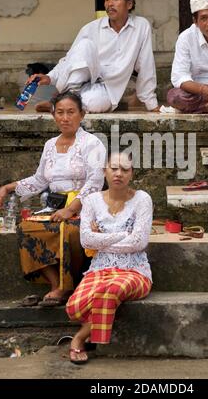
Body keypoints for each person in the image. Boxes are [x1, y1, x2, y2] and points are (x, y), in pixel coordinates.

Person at [0, 91, 106, 306]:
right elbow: (39, 179)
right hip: (54, 206)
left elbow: (94, 183)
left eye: (71, 112)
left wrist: (71, 209)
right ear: (54, 116)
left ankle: (69, 284)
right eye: (60, 112)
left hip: (85, 206)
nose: (65, 118)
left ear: (82, 114)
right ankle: (57, 284)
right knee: (26, 228)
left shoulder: (92, 144)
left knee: (70, 231)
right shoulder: (50, 145)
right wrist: (8, 187)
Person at [66, 151, 153, 364]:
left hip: (135, 271)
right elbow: (86, 240)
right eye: (114, 168)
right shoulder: (91, 201)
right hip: (99, 269)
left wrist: (102, 238)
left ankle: (79, 339)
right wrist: (123, 235)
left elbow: (139, 243)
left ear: (131, 174)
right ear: (105, 171)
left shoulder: (142, 199)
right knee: (73, 307)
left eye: (125, 169)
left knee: (109, 291)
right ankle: (91, 328)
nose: (118, 174)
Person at [27, 0, 159, 114]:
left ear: (129, 4)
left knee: (95, 104)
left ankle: (58, 104)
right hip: (80, 80)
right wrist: (50, 77)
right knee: (85, 45)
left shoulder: (141, 26)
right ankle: (68, 97)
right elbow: (70, 59)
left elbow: (146, 65)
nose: (110, 4)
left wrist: (151, 104)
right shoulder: (91, 28)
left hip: (108, 88)